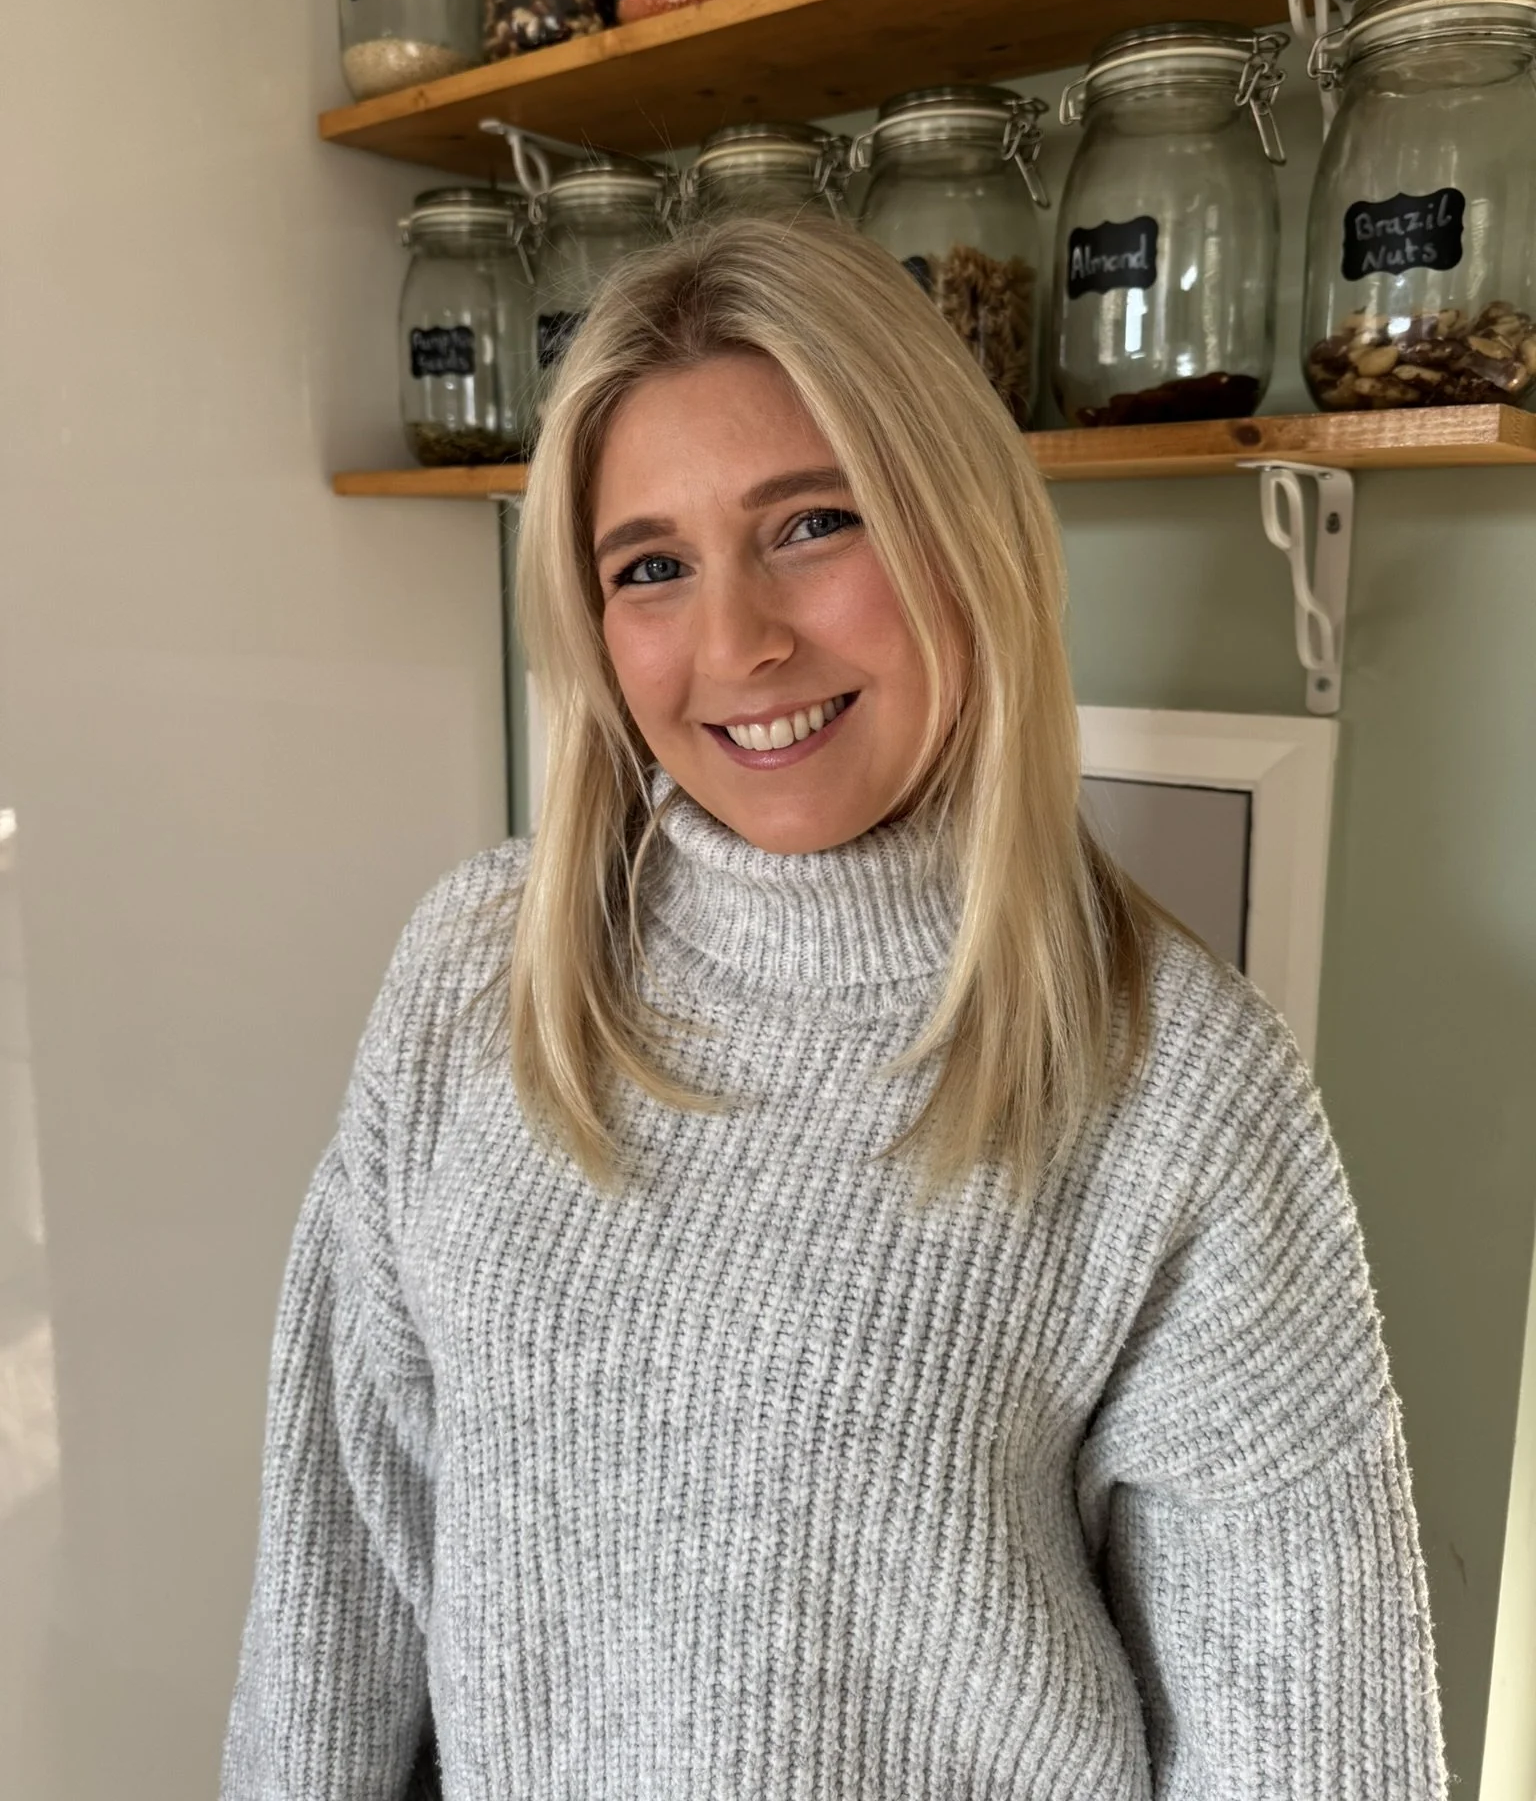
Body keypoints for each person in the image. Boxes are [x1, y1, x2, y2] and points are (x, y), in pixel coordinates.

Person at [222, 216, 1447, 1798]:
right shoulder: (479, 970)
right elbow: (338, 1586)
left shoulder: (1176, 1082)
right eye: (651, 566)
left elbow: (1312, 1749)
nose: (737, 642)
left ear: (961, 533)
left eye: (813, 524)